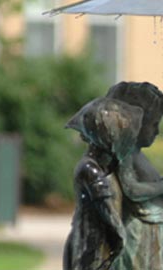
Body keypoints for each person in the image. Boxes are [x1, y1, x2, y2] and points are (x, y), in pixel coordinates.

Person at [103, 82, 163, 270]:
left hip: (150, 228)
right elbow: (131, 188)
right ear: (134, 123)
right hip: (137, 233)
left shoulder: (137, 153)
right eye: (153, 124)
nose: (157, 131)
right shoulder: (126, 152)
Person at [64, 97, 136, 270]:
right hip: (91, 248)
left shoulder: (105, 166)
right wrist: (121, 244)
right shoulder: (90, 169)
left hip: (99, 246)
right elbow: (110, 215)